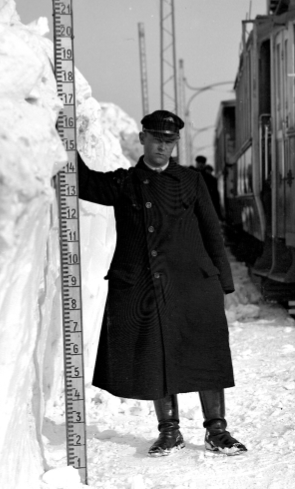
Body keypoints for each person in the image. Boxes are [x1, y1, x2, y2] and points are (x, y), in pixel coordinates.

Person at [74, 110, 247, 457]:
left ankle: (218, 431)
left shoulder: (191, 180)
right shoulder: (124, 182)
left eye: (169, 143)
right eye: (156, 141)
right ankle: (169, 431)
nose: (162, 149)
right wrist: (64, 142)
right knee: (156, 356)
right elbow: (84, 182)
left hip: (193, 284)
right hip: (146, 288)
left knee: (206, 356)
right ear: (142, 140)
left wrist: (223, 284)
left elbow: (212, 230)